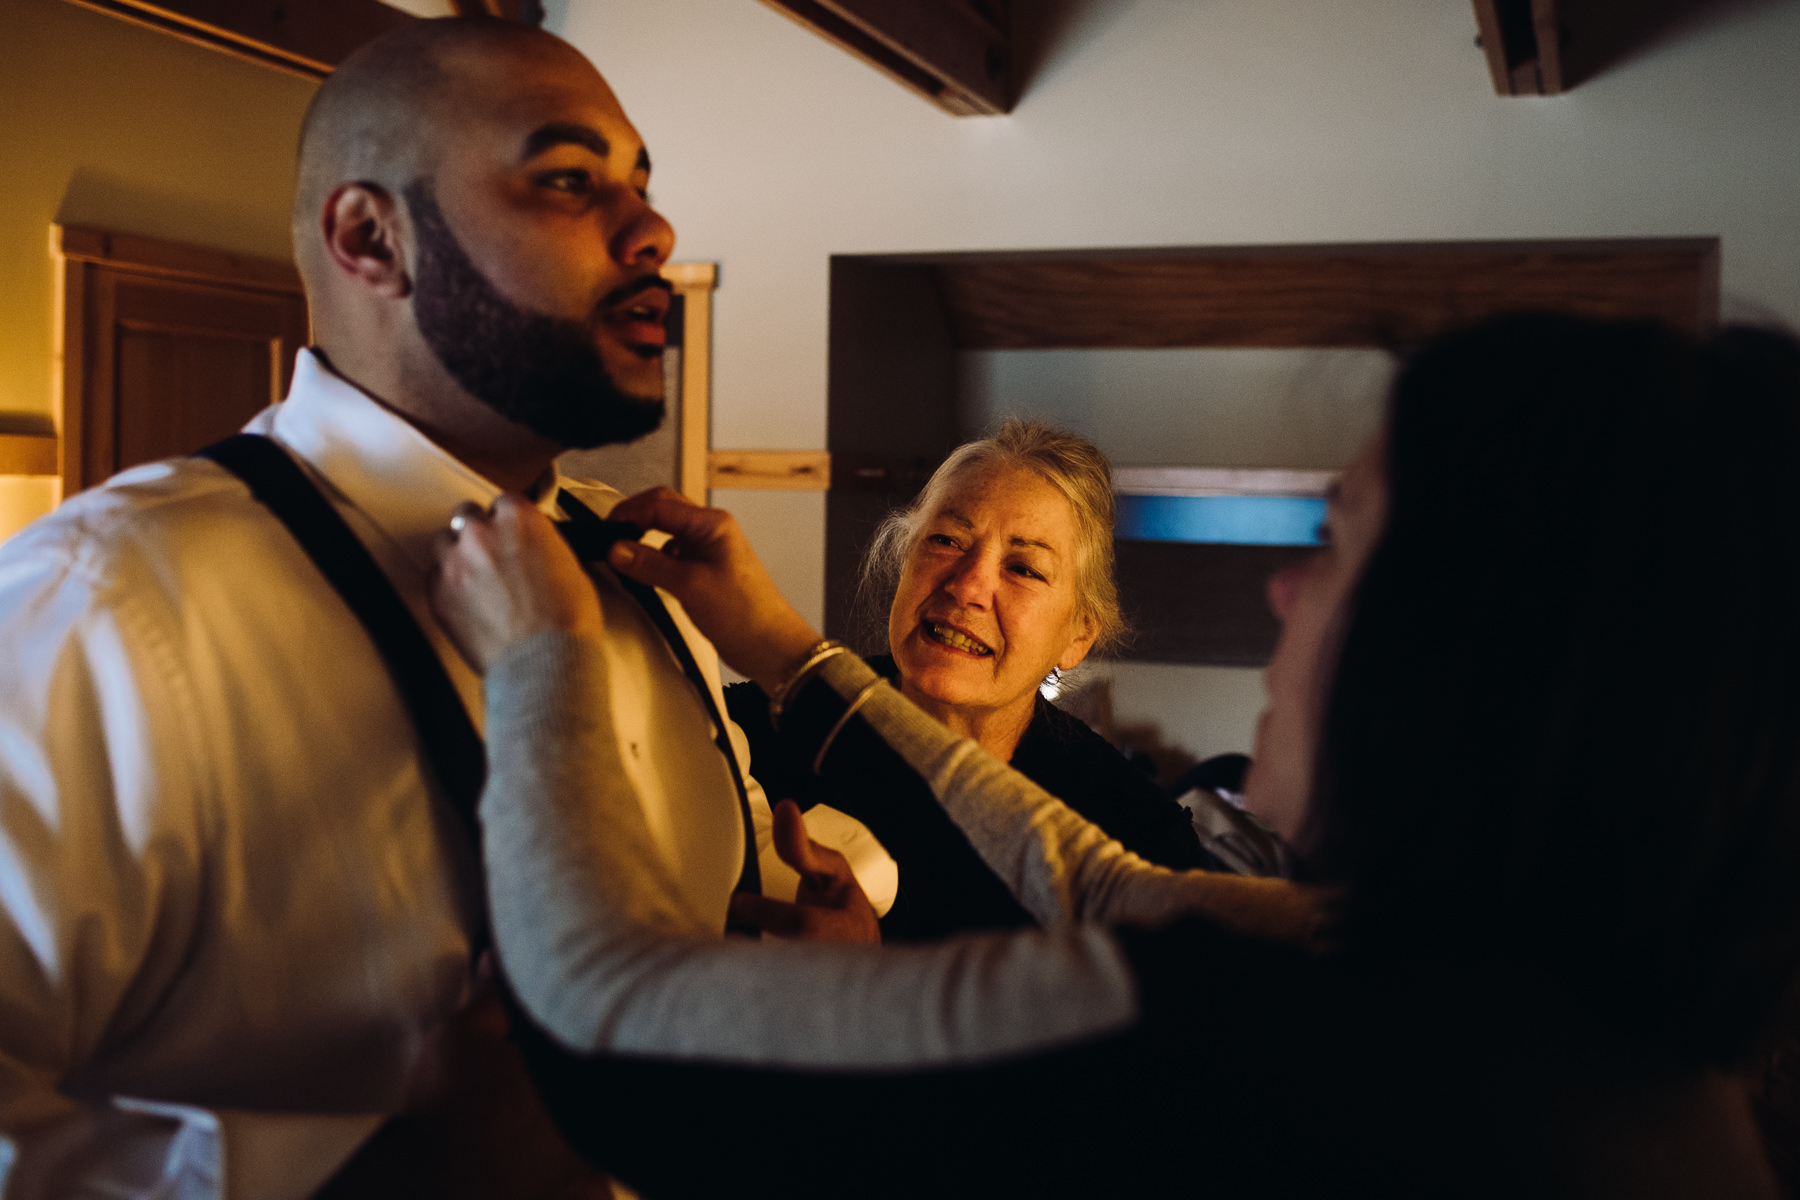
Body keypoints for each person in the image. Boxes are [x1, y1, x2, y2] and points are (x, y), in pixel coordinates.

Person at [432, 313, 1800, 1197]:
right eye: (949, 544)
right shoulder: (1601, 1045)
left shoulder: (1297, 1043)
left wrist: (546, 653)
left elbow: (615, 1021)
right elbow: (1076, 875)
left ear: (1473, 660)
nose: (1280, 597)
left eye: (1336, 548)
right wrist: (789, 653)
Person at [0, 17, 848, 1197]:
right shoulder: (107, 604)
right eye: (568, 180)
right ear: (371, 237)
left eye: (642, 183)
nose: (653, 229)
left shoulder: (640, 576)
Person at [727, 419, 1209, 942]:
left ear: (1077, 635)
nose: (968, 586)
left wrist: (863, 983)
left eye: (1024, 568)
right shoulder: (751, 728)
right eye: (947, 540)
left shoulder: (1136, 842)